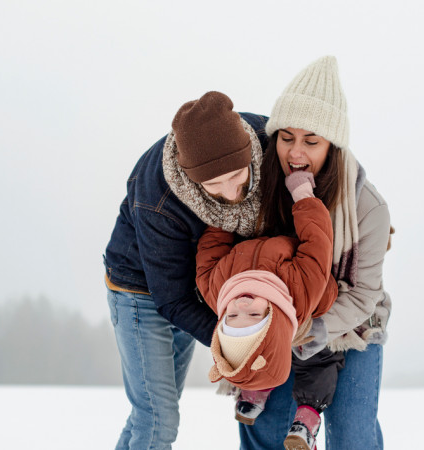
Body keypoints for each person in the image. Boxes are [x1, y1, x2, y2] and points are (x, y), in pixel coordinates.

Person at [239, 56, 394, 449]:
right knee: (266, 432)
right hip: (275, 319)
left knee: (353, 437)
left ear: (333, 146)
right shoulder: (259, 191)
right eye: (287, 137)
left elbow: (362, 295)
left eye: (312, 141)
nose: (295, 153)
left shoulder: (367, 207)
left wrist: (306, 329)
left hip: (351, 324)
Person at [103, 91, 269, 449]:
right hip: (141, 292)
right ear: (192, 178)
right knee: (158, 419)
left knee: (149, 415)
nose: (230, 192)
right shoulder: (159, 199)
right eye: (213, 185)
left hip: (193, 287)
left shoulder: (265, 138)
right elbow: (172, 299)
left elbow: (322, 152)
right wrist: (233, 346)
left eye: (238, 175)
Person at [195, 170, 343, 449]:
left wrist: (228, 209)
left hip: (247, 219)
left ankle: (255, 384)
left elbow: (211, 246)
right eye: (253, 315)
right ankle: (267, 391)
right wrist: (302, 196)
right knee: (315, 357)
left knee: (271, 354)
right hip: (293, 286)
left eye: (232, 317)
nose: (241, 305)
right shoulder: (301, 289)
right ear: (271, 317)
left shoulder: (216, 289)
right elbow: (317, 242)